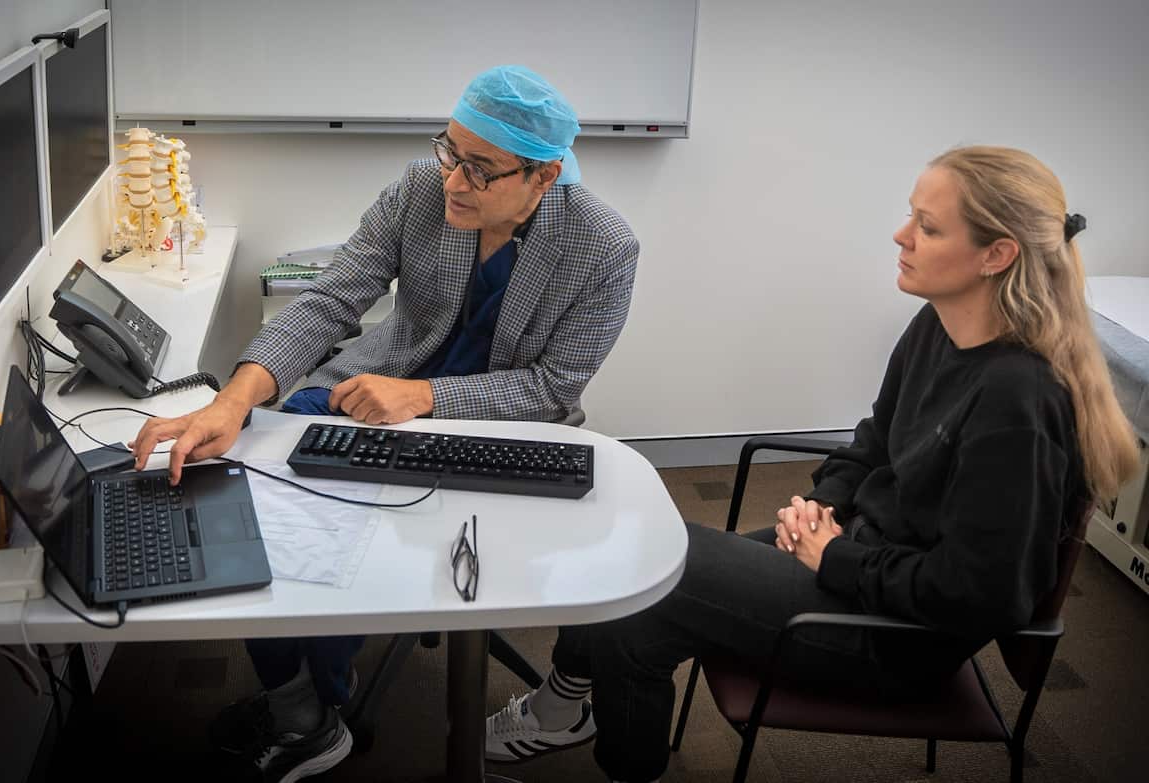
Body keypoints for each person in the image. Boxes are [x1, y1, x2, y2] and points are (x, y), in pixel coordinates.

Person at [481, 146, 1140, 783]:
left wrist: (836, 557)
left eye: (928, 226)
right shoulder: (941, 324)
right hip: (857, 563)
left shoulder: (1015, 402)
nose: (901, 234)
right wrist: (827, 504)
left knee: (650, 573)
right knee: (640, 576)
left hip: (897, 637)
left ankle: (587, 730)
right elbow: (875, 441)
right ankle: (570, 707)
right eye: (911, 214)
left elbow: (982, 595)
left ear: (997, 255)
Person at [128, 65, 639, 781]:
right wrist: (233, 399)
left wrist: (426, 398)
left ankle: (321, 701)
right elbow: (331, 301)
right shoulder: (419, 190)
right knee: (247, 495)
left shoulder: (604, 246)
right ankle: (299, 701)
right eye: (449, 151)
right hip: (371, 393)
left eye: (482, 169)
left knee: (356, 542)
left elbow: (552, 388)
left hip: (504, 430)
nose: (454, 182)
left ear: (543, 178)